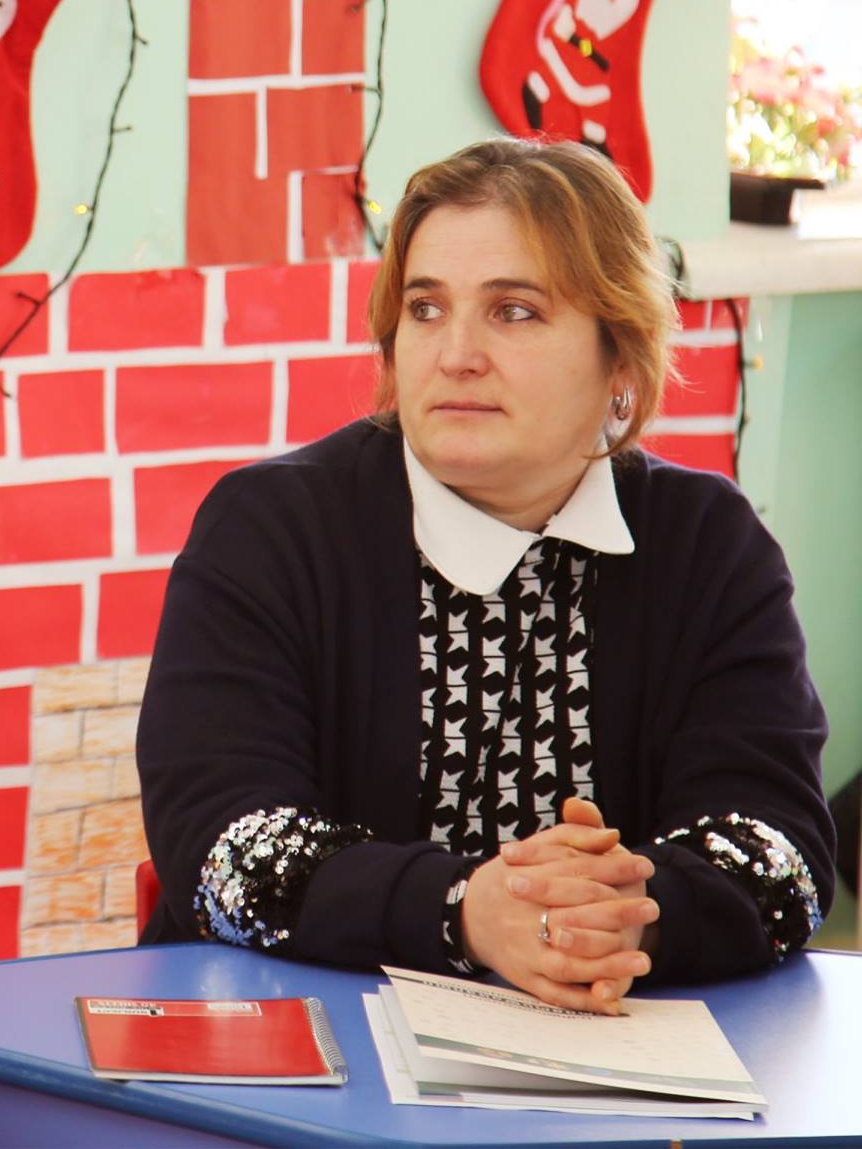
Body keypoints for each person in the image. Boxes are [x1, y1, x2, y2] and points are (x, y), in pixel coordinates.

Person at [137, 137, 836, 1014]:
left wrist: (623, 914)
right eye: (426, 309)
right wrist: (465, 911)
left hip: (614, 1053)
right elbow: (227, 849)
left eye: (514, 311)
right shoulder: (269, 528)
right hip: (301, 1047)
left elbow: (781, 851)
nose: (456, 353)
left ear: (620, 358)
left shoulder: (709, 542)